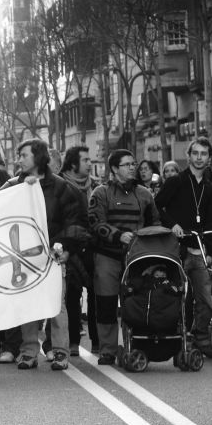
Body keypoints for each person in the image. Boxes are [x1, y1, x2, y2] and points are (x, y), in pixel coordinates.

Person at [0, 139, 87, 371]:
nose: (19, 160)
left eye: (24, 155)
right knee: (27, 305)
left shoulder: (61, 187)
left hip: (52, 256)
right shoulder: (11, 187)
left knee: (56, 306)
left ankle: (60, 352)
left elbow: (75, 222)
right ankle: (28, 352)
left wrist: (66, 248)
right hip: (23, 257)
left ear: (38, 157)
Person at [89, 149, 161, 366]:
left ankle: (136, 345)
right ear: (114, 169)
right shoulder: (100, 193)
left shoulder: (145, 194)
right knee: (106, 303)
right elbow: (94, 223)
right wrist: (118, 235)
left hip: (137, 258)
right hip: (107, 256)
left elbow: (154, 224)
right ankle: (108, 350)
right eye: (127, 164)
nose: (133, 167)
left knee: (136, 303)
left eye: (134, 163)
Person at [154, 137, 212, 357]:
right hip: (175, 248)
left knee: (205, 298)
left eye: (204, 154)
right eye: (195, 153)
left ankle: (201, 338)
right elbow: (157, 206)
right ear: (189, 156)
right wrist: (172, 224)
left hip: (198, 250)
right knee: (172, 295)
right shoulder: (176, 181)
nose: (199, 158)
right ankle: (172, 336)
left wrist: (209, 252)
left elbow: (210, 222)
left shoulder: (208, 186)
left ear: (209, 157)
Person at [60, 145, 98, 356]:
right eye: (85, 160)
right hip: (69, 248)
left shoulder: (96, 187)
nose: (89, 164)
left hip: (92, 246)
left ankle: (97, 341)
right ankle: (73, 341)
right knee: (71, 297)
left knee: (95, 294)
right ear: (73, 163)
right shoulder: (61, 185)